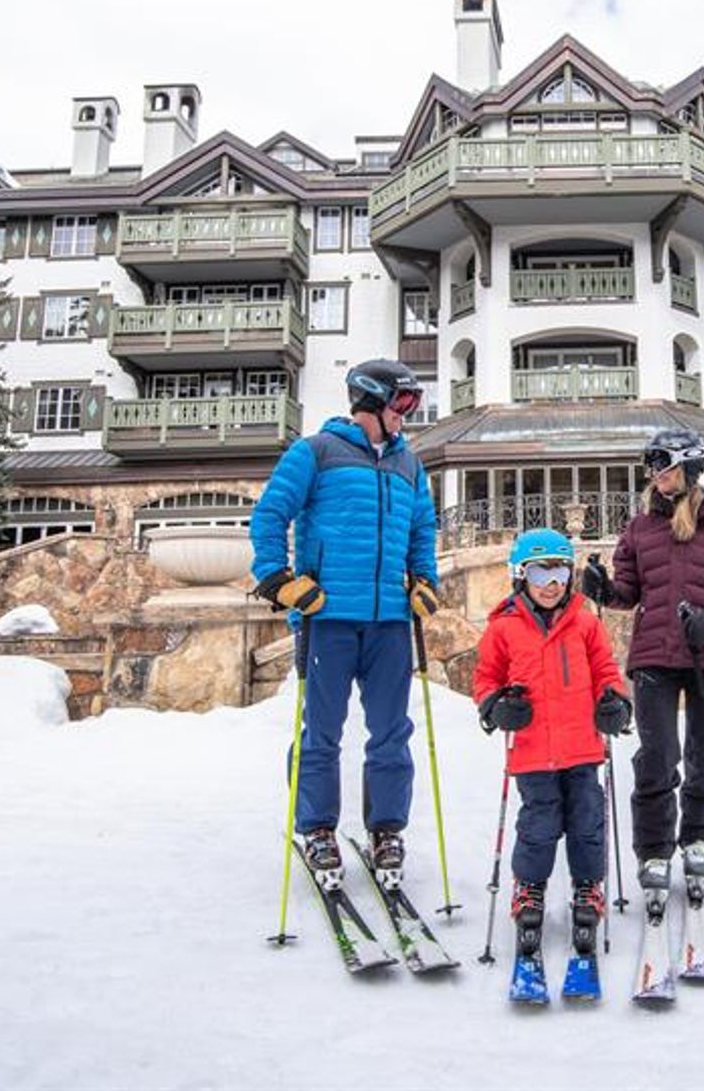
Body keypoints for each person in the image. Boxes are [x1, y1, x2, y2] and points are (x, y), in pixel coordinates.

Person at [249, 358, 440, 888]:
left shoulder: (410, 466)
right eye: (401, 405)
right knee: (322, 733)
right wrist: (277, 578)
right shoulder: (315, 452)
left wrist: (425, 580)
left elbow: (423, 528)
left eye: (411, 406)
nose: (406, 417)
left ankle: (386, 829)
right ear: (370, 401)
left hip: (389, 624)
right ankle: (317, 829)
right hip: (327, 618)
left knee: (391, 734)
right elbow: (269, 515)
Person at [578, 429, 704, 900]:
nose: (658, 477)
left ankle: (699, 840)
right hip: (655, 653)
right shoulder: (640, 528)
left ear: (691, 469)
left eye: (667, 467)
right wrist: (602, 588)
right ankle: (654, 849)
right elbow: (629, 591)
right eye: (654, 468)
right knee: (657, 757)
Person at [473, 528, 632, 956]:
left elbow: (606, 671)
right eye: (541, 572)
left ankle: (587, 886)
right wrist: (495, 707)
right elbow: (485, 678)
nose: (552, 583)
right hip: (532, 752)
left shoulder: (585, 622)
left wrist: (615, 703)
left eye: (560, 571)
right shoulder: (503, 629)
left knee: (586, 818)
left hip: (582, 746)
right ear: (520, 575)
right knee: (539, 825)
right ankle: (529, 888)